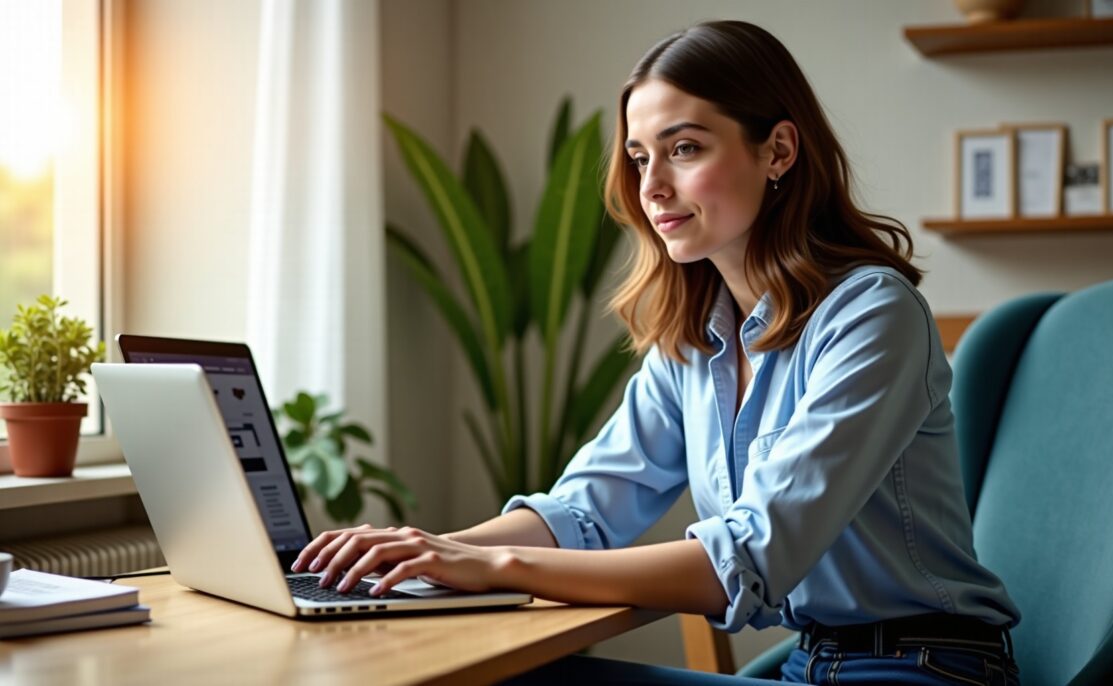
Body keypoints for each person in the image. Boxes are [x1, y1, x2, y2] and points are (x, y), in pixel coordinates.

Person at [292, 20, 1021, 685]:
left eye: (684, 148)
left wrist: (493, 566)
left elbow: (748, 558)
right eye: (640, 157)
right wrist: (424, 554)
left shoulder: (873, 315)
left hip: (928, 669)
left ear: (778, 151)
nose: (652, 188)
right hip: (809, 663)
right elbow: (583, 512)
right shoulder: (694, 339)